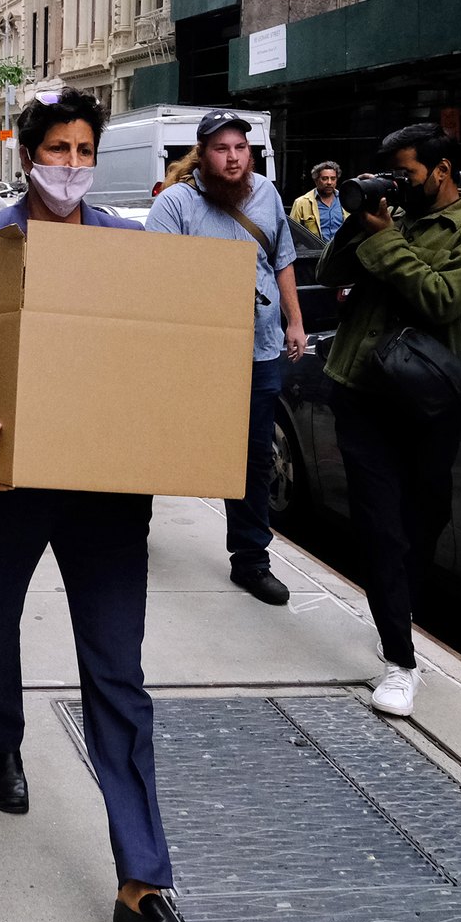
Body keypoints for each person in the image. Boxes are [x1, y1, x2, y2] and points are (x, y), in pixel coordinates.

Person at [0, 87, 215, 922]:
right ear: (28, 154)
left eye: (86, 151)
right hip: (7, 479)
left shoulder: (130, 244)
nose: (73, 165)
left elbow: (158, 353)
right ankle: (2, 742)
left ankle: (142, 884)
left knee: (119, 673)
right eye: (59, 150)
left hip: (106, 494)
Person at [314, 123, 461, 719]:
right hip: (359, 388)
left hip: (424, 401)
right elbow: (329, 274)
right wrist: (359, 221)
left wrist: (388, 239)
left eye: (408, 173)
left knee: (423, 521)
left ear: (442, 169)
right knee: (379, 526)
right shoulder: (389, 214)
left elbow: (444, 298)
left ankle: (400, 608)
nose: (399, 182)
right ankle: (401, 660)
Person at [146, 110, 305, 607]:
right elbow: (158, 276)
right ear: (202, 153)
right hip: (194, 354)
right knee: (163, 444)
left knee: (254, 457)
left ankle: (251, 560)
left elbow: (281, 259)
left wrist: (294, 321)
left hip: (258, 351)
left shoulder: (266, 194)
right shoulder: (175, 203)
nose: (233, 157)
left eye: (241, 147)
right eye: (221, 148)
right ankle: (128, 534)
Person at [289, 160, 345, 240]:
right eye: (325, 179)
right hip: (315, 251)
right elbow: (292, 233)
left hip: (341, 250)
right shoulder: (302, 202)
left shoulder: (345, 200)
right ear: (316, 180)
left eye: (333, 179)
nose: (329, 182)